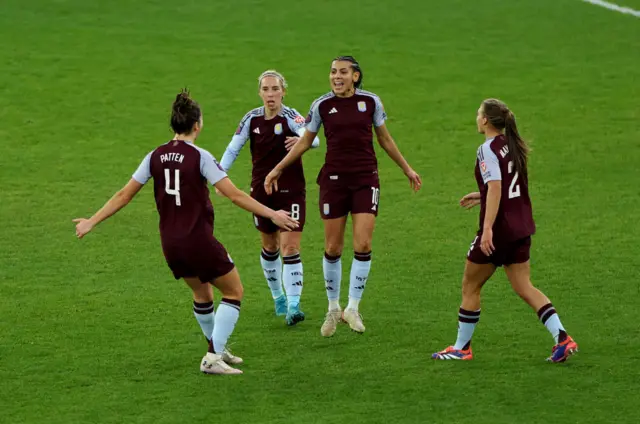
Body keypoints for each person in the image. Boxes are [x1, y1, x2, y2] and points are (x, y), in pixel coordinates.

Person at [73, 89, 298, 375]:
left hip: (171, 243)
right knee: (234, 291)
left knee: (202, 294)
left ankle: (215, 347)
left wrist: (92, 221)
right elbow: (235, 195)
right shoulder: (200, 156)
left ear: (173, 126)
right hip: (198, 240)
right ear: (197, 125)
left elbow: (123, 195)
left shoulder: (154, 156)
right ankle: (212, 356)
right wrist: (272, 214)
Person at [264, 56, 422, 337]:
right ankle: (333, 307)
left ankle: (353, 307)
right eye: (333, 72)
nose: (336, 77)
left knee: (362, 243)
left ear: (356, 76)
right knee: (333, 247)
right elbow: (304, 141)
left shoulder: (371, 103)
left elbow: (384, 138)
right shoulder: (322, 105)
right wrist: (278, 168)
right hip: (334, 183)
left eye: (343, 72)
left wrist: (407, 169)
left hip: (365, 180)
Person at [432, 98, 578, 362]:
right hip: (521, 227)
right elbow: (512, 186)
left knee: (470, 285)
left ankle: (461, 348)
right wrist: (482, 195)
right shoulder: (512, 146)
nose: (477, 117)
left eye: (478, 113)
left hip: (498, 230)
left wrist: (486, 229)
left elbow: (498, 187)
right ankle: (562, 337)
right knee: (524, 286)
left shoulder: (486, 149)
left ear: (486, 120)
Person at [219, 70, 319, 326]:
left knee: (290, 247)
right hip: (261, 192)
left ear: (283, 91)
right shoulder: (251, 119)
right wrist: (219, 176)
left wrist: (299, 139)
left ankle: (294, 305)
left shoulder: (291, 116)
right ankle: (278, 297)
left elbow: (314, 139)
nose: (271, 94)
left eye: (275, 89)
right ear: (260, 92)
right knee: (270, 246)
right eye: (266, 89)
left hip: (292, 190)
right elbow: (233, 148)